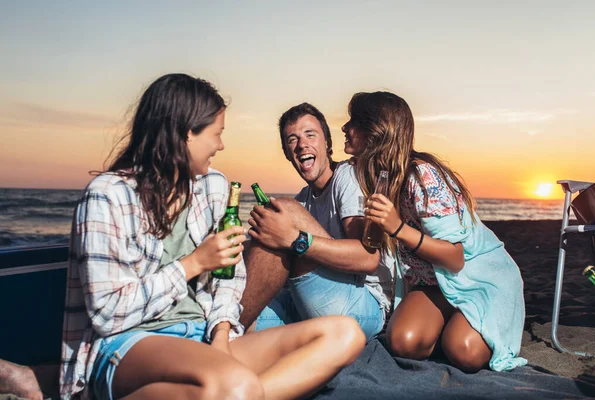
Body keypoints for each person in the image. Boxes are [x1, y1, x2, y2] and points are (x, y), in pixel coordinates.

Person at [60, 74, 366, 400]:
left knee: (345, 334)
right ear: (185, 134)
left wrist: (221, 334)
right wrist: (192, 264)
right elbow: (107, 314)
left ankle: (234, 393)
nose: (221, 145)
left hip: (204, 335)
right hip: (132, 342)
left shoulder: (213, 187)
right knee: (236, 385)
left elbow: (228, 280)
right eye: (216, 133)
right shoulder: (107, 195)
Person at [343, 91, 527, 372]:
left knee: (464, 352)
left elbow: (455, 259)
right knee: (403, 342)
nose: (345, 128)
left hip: (475, 278)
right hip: (432, 282)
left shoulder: (423, 176)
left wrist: (398, 228)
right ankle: (448, 322)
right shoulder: (373, 175)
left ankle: (468, 325)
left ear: (376, 131)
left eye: (352, 121)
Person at [240, 103, 394, 341]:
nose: (302, 144)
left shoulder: (347, 177)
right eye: (292, 139)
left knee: (284, 211)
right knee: (244, 321)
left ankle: (225, 331)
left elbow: (368, 257)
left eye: (310, 134)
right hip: (308, 299)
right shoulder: (304, 198)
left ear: (327, 144)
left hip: (363, 305)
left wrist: (294, 239)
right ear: (287, 152)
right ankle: (221, 332)